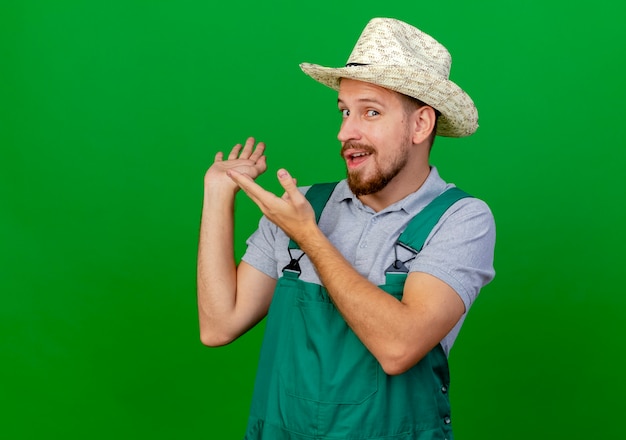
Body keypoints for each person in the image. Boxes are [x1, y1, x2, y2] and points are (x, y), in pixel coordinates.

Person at [197, 17, 495, 439]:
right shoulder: (301, 207)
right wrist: (216, 195)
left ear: (420, 125)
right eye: (344, 111)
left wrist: (309, 237)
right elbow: (218, 326)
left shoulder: (460, 219)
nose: (345, 133)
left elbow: (398, 348)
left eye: (370, 112)